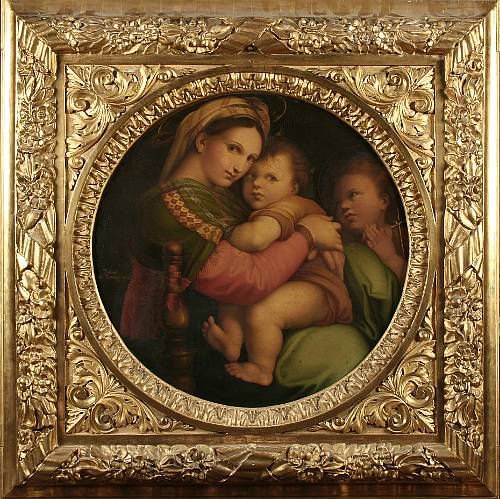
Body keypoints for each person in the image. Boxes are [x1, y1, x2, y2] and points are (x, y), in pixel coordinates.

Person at [120, 96, 344, 345]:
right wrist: (307, 234)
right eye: (234, 149)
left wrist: (302, 211)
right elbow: (251, 281)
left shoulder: (221, 197)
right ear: (202, 141)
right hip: (176, 342)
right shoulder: (170, 206)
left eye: (250, 158)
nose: (240, 168)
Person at [202, 137, 352, 386]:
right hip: (280, 283)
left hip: (319, 292)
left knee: (262, 311)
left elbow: (254, 239)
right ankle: (232, 341)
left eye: (271, 178)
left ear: (293, 187)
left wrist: (221, 234)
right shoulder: (261, 212)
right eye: (252, 176)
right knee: (235, 292)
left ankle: (262, 369)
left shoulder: (291, 206)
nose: (257, 184)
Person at [334, 152, 407, 283]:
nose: (343, 205)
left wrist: (391, 259)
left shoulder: (405, 238)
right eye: (338, 202)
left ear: (383, 201)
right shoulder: (340, 247)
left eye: (353, 195)